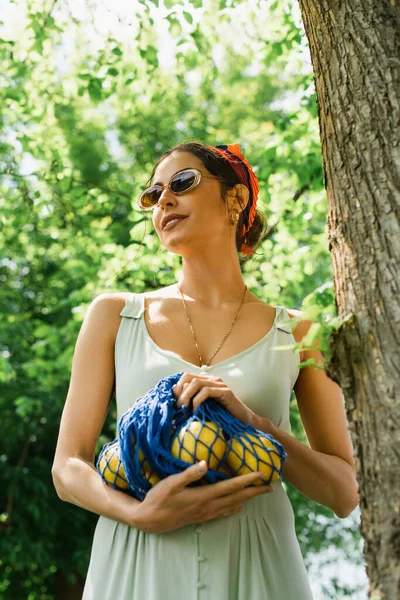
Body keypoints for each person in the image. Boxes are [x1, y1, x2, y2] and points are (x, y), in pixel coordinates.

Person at [51, 141, 359, 600]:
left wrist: (256, 424)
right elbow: (67, 468)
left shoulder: (300, 332)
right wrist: (140, 514)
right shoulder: (115, 315)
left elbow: (343, 492)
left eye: (182, 183)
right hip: (137, 563)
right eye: (153, 195)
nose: (164, 201)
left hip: (257, 566)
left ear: (235, 199)